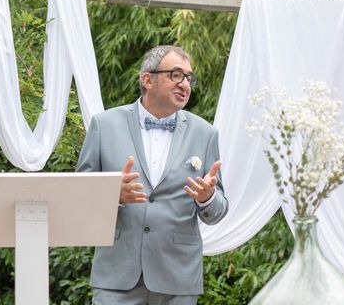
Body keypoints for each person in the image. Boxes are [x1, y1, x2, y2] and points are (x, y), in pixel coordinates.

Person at [76, 45, 229, 304]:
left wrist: (208, 197)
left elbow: (219, 211)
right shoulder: (104, 125)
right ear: (147, 79)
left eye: (189, 78)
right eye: (176, 75)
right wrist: (111, 194)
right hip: (117, 275)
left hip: (178, 278)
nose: (185, 84)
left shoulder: (206, 134)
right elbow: (77, 195)